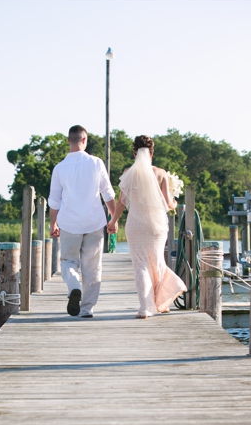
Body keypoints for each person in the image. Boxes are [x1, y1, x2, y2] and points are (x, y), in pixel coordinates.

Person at [107, 136, 186, 318]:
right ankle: (161, 301)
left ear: (135, 153)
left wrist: (113, 222)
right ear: (152, 153)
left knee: (140, 265)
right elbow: (167, 203)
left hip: (135, 226)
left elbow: (121, 203)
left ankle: (145, 307)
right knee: (157, 262)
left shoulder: (128, 173)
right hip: (156, 227)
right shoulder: (161, 173)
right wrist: (174, 202)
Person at [48, 126, 116, 319]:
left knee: (68, 261)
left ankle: (74, 286)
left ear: (69, 140)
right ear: (84, 140)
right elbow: (107, 193)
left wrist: (53, 224)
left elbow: (54, 200)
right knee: (93, 267)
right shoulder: (96, 163)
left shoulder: (60, 168)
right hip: (94, 223)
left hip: (69, 223)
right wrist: (113, 218)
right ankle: (87, 309)